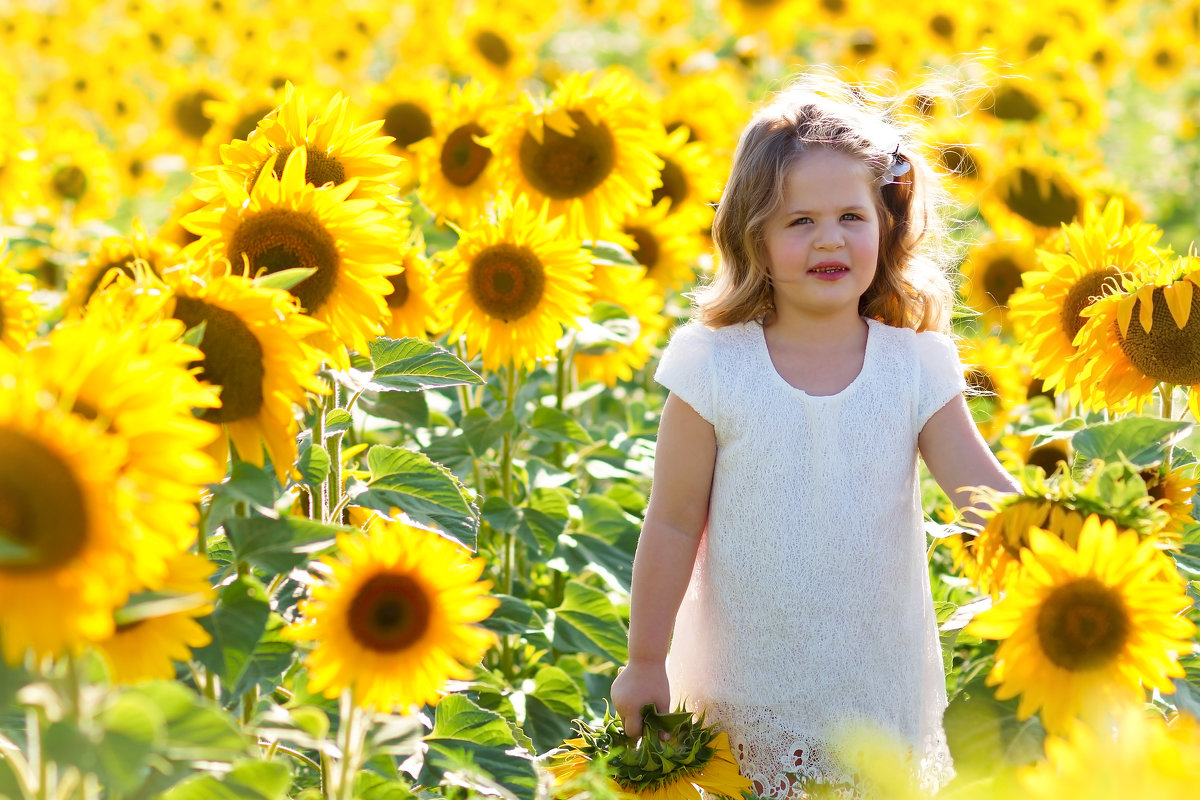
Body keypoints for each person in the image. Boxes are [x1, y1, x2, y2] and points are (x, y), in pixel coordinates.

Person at [610, 76, 1020, 798]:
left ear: (886, 225)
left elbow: (981, 495)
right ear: (754, 236)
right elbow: (672, 523)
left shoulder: (915, 365)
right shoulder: (714, 367)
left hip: (877, 693)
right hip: (745, 693)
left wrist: (1067, 548)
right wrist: (647, 659)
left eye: (850, 217)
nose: (829, 239)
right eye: (799, 221)